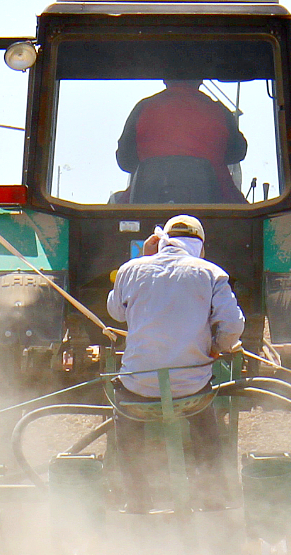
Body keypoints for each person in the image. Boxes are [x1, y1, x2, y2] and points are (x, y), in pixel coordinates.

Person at [105, 213, 245, 511]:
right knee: (204, 416)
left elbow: (116, 312)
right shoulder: (212, 273)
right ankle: (212, 499)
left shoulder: (130, 270)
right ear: (200, 247)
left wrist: (143, 258)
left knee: (126, 418)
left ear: (160, 241)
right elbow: (233, 326)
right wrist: (217, 348)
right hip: (190, 390)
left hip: (138, 388)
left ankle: (137, 500)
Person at [114, 80, 249, 201]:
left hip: (144, 210)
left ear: (165, 79)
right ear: (200, 79)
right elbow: (238, 152)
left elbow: (125, 161)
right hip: (219, 213)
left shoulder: (143, 108)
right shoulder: (219, 111)